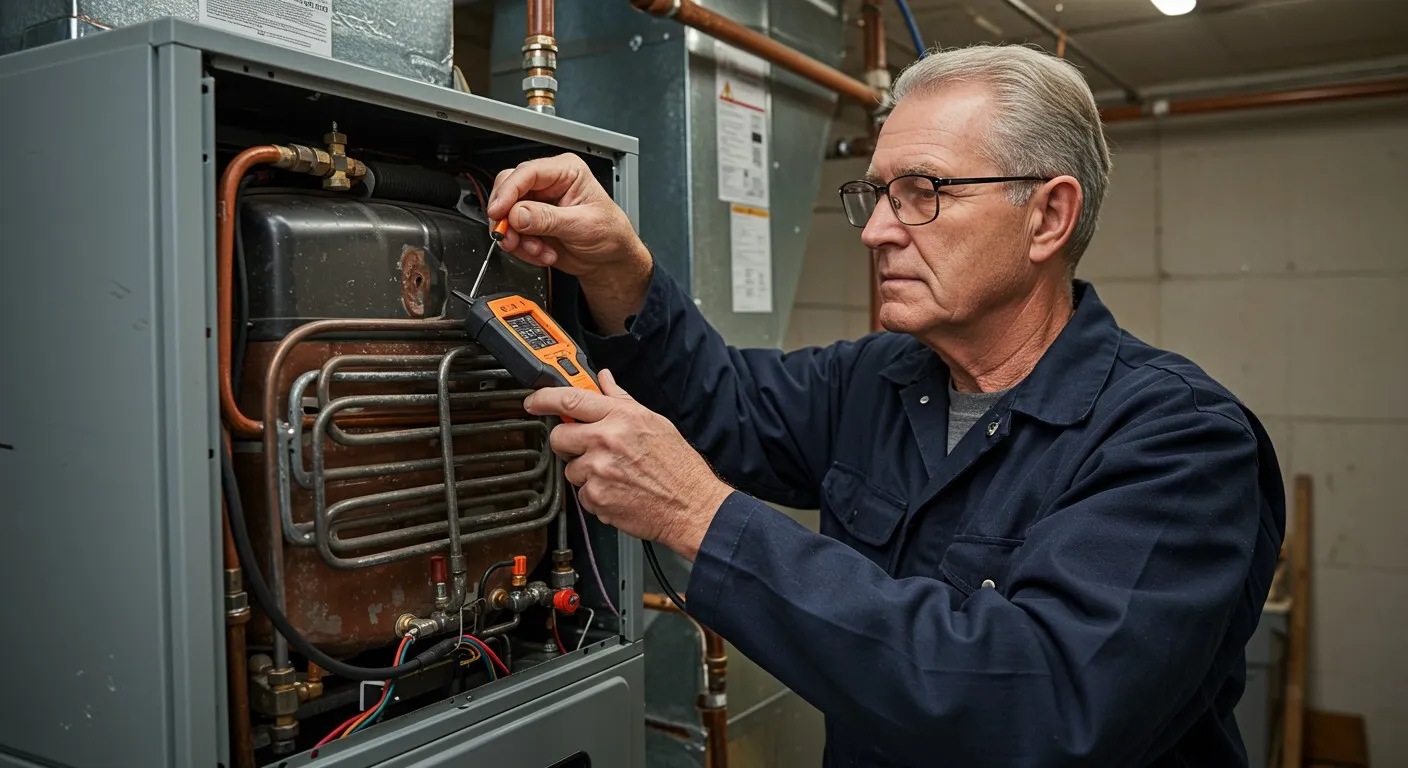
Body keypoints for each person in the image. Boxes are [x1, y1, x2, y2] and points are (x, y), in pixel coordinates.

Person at [485, 44, 1285, 768]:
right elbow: (720, 405)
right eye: (875, 194)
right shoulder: (884, 377)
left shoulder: (1181, 443)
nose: (875, 232)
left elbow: (1037, 708)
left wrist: (700, 515)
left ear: (1048, 215)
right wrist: (620, 267)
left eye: (921, 192)